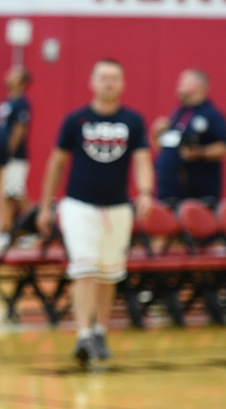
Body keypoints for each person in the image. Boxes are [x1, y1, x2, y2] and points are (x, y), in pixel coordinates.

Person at [36, 59, 153, 366]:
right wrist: (46, 206)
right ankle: (83, 334)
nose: (108, 82)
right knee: (84, 268)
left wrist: (145, 192)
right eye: (103, 77)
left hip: (118, 208)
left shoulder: (133, 121)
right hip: (79, 205)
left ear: (123, 83)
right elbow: (56, 162)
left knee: (108, 273)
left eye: (114, 77)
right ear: (92, 82)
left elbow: (142, 159)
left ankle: (100, 330)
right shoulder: (76, 120)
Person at [151, 69, 226, 203]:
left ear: (196, 86)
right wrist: (156, 134)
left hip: (196, 193)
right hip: (168, 191)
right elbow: (166, 148)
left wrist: (199, 153)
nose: (177, 86)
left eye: (182, 82)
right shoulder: (177, 114)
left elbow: (225, 147)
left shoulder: (212, 115)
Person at [0, 65, 32, 234]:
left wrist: (8, 152)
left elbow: (19, 129)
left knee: (15, 192)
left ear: (21, 81)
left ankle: (37, 222)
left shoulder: (21, 103)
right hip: (5, 156)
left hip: (15, 157)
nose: (8, 75)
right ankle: (6, 230)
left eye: (14, 75)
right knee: (6, 193)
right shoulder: (7, 101)